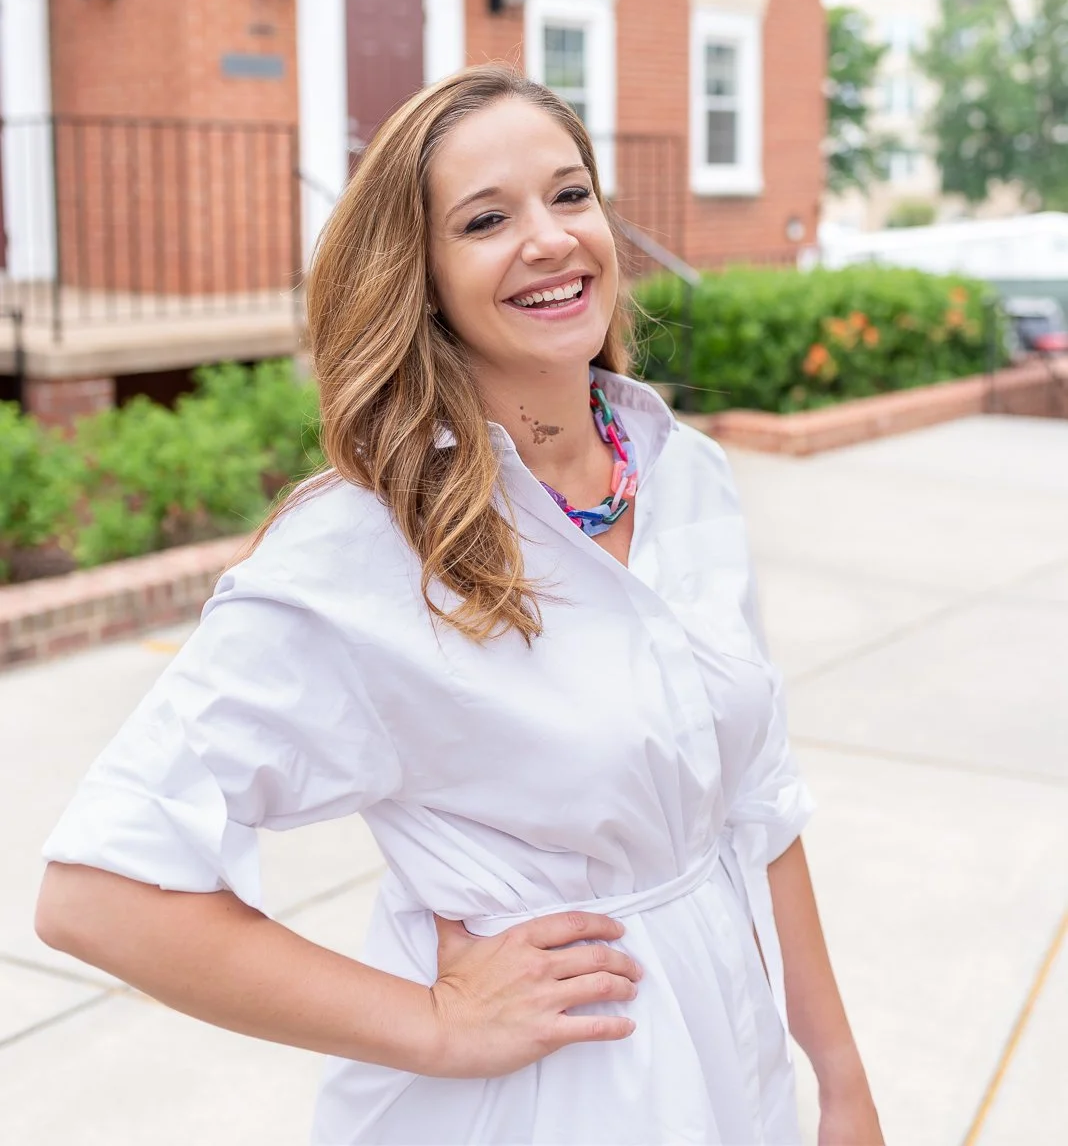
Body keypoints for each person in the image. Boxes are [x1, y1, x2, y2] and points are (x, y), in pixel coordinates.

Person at [36, 65, 883, 1145]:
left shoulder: (690, 477)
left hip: (732, 1062)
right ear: (423, 277)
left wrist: (840, 1078)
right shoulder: (366, 550)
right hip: (545, 1098)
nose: (549, 237)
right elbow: (98, 889)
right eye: (486, 218)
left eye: (569, 195)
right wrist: (435, 1022)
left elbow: (756, 803)